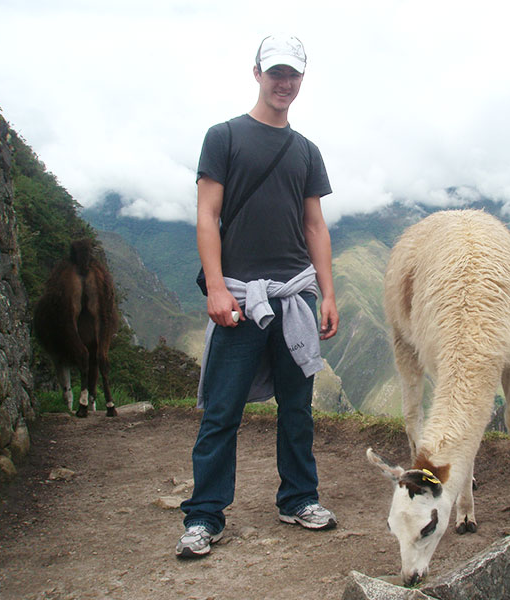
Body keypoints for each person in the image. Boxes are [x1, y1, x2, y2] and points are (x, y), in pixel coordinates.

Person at [176, 33, 339, 559]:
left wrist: (327, 293)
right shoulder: (223, 137)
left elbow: (314, 225)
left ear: (302, 79)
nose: (284, 83)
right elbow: (206, 214)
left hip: (294, 295)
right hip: (241, 298)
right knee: (221, 410)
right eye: (276, 73)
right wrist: (218, 287)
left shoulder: (307, 151)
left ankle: (298, 498)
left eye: (293, 75)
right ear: (257, 73)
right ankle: (204, 515)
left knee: (297, 407)